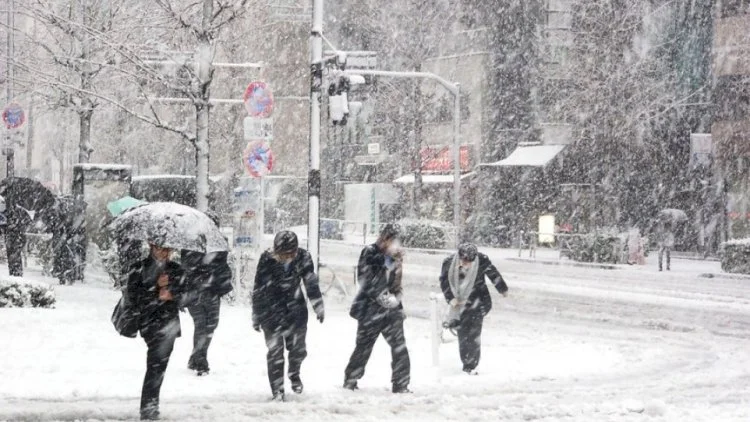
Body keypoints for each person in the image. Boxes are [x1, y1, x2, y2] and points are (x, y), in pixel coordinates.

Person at [252, 231, 325, 401]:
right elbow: (258, 287)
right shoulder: (266, 259)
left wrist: (318, 306)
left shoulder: (303, 257)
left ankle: (294, 372)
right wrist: (256, 314)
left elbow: (311, 283)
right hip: (270, 311)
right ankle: (277, 390)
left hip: (295, 310)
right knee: (275, 352)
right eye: (282, 254)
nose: (286, 257)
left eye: (290, 254)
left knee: (298, 350)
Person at [344, 224, 411, 394]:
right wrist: (381, 296)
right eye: (393, 241)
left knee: (399, 347)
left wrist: (396, 298)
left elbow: (397, 282)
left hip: (392, 310)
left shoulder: (396, 257)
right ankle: (351, 380)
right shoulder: (370, 252)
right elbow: (365, 278)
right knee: (363, 347)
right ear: (384, 239)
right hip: (370, 309)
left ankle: (401, 384)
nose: (396, 245)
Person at [126, 242, 186, 420]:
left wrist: (172, 293)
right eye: (161, 248)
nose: (165, 252)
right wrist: (155, 286)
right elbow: (133, 296)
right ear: (152, 247)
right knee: (155, 364)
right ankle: (149, 407)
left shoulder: (176, 269)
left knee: (158, 366)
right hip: (149, 322)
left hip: (169, 323)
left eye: (169, 248)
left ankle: (150, 405)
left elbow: (187, 295)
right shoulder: (139, 268)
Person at [440, 243, 508, 375]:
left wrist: (502, 289)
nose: (467, 264)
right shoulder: (449, 263)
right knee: (463, 334)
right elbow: (444, 281)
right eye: (465, 261)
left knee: (474, 334)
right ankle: (466, 362)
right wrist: (450, 298)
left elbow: (493, 273)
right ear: (459, 256)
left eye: (470, 261)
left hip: (478, 301)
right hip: (459, 304)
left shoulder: (481, 260)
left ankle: (472, 365)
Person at [183, 250, 233, 375]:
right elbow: (186, 269)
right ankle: (201, 362)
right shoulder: (190, 246)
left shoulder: (217, 246)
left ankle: (195, 357)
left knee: (211, 326)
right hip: (195, 293)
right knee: (201, 325)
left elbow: (223, 267)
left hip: (212, 293)